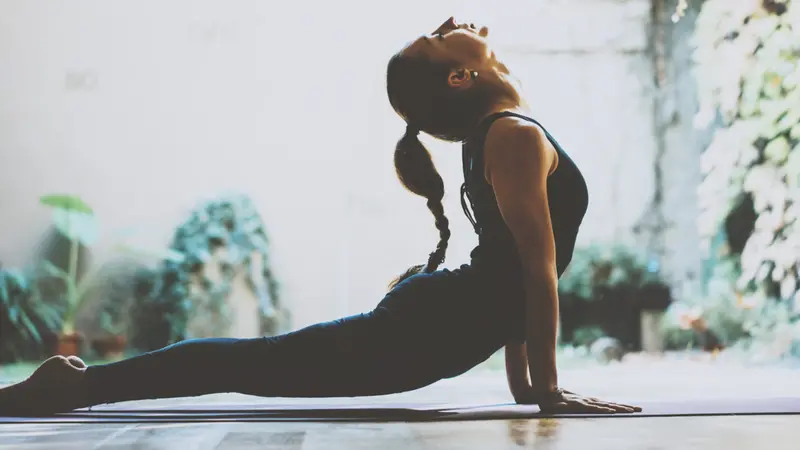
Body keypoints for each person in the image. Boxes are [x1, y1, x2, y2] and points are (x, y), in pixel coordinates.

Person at [0, 17, 640, 416]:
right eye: (441, 37)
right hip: (429, 330)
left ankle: (75, 386)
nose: (452, 20)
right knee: (249, 363)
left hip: (439, 326)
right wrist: (544, 389)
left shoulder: (502, 134)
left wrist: (528, 387)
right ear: (459, 77)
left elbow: (517, 273)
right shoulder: (511, 136)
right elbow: (534, 270)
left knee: (254, 363)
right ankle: (71, 388)